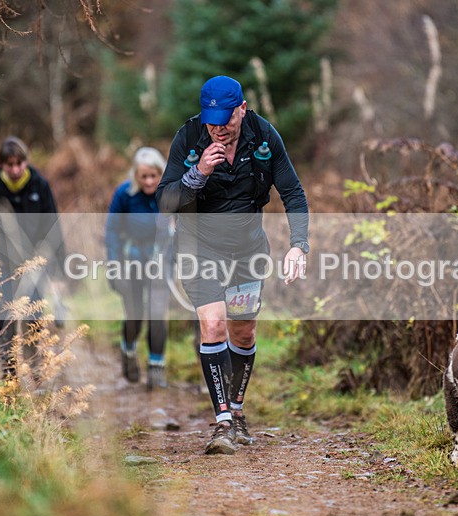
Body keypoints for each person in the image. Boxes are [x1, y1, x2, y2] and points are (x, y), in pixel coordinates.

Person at [156, 75, 309, 455]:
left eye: (225, 119)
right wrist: (199, 173)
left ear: (242, 109)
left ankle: (237, 413)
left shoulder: (264, 136)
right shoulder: (189, 138)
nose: (218, 128)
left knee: (243, 333)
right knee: (213, 324)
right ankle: (222, 421)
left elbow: (292, 191)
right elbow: (164, 201)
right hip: (198, 247)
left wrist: (299, 245)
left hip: (247, 249)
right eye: (212, 120)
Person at [0, 136, 67, 380]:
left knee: (33, 315)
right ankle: (9, 374)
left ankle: (34, 366)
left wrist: (60, 269)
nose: (16, 170)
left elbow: (53, 226)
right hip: (2, 264)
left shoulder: (39, 185)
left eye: (20, 163)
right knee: (6, 316)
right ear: (1, 165)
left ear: (26, 162)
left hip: (35, 261)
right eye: (10, 165)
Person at [105, 147, 174, 390]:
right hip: (131, 261)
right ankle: (129, 351)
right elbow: (112, 231)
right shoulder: (124, 194)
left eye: (153, 176)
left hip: (160, 262)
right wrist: (113, 264)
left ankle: (156, 369)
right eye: (143, 176)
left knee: (157, 314)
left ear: (160, 173)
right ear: (135, 175)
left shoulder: (170, 195)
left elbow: (182, 231)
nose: (149, 181)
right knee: (135, 315)